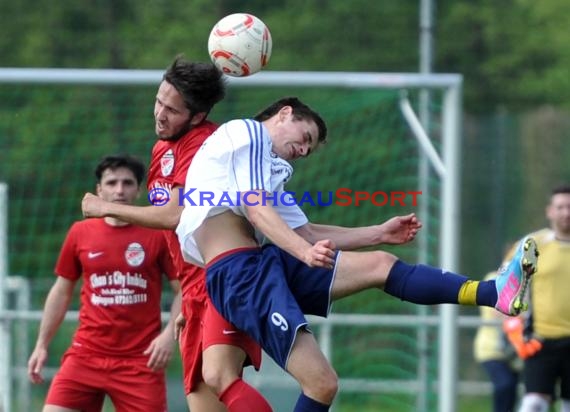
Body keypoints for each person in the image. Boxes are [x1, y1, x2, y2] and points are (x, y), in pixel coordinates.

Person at [174, 96, 540, 412]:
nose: (303, 151)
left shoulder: (262, 168)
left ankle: (493, 294)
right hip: (241, 273)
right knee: (320, 383)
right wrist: (303, 252)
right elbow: (258, 211)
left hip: (256, 266)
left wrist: (378, 232)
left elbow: (307, 232)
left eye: (309, 148)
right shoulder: (247, 133)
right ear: (284, 114)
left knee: (381, 263)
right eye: (305, 138)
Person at [81, 57, 258, 412]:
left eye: (172, 109)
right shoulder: (163, 147)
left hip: (218, 281)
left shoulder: (205, 144)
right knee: (206, 398)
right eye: (158, 101)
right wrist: (187, 294)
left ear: (197, 115)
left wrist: (106, 208)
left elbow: (176, 215)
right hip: (197, 287)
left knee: (217, 385)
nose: (159, 114)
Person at [28, 154, 181, 412]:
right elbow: (62, 290)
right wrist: (42, 345)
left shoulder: (158, 235)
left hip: (140, 362)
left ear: (138, 189)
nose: (119, 190)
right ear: (99, 190)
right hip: (86, 355)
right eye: (111, 183)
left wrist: (169, 336)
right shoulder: (80, 232)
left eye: (127, 183)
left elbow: (185, 290)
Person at [502, 185, 570, 412]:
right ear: (550, 211)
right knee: (533, 404)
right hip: (540, 340)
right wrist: (513, 325)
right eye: (560, 207)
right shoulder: (533, 245)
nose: (566, 213)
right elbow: (505, 285)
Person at [474, 270, 521, 412]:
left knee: (512, 390)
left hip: (518, 351)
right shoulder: (495, 278)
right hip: (492, 349)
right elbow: (497, 309)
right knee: (504, 385)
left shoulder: (529, 281)